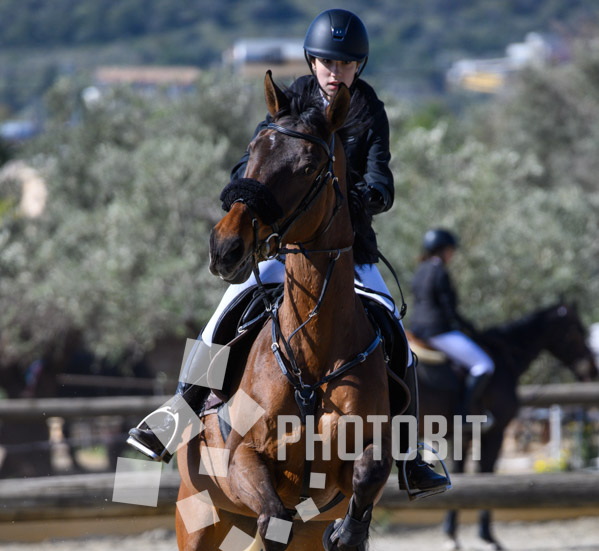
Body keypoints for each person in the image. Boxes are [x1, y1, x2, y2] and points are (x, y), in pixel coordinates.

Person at [127, 9, 449, 498]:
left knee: (396, 339)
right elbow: (250, 161)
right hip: (285, 244)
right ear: (312, 62)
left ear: (358, 66)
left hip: (349, 251)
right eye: (327, 62)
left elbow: (381, 183)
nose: (336, 71)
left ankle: (409, 454)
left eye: (345, 64)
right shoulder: (292, 99)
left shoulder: (368, 110)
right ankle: (179, 410)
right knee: (224, 315)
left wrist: (349, 198)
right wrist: (249, 194)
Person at [410, 228, 495, 424]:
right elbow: (449, 310)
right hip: (437, 332)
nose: (452, 255)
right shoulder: (439, 271)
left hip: (417, 330)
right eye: (450, 251)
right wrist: (470, 329)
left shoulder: (420, 270)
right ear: (443, 250)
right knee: (484, 365)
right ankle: (463, 414)